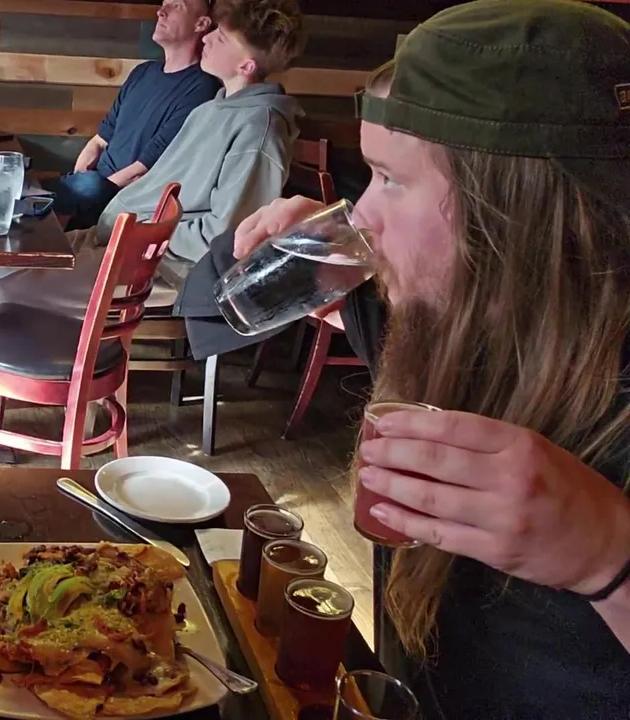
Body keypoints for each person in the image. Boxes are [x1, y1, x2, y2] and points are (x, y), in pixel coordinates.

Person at [230, 1, 630, 715]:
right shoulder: (446, 322)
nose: (361, 214)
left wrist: (608, 553)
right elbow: (326, 295)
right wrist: (316, 252)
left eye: (391, 179)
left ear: (514, 212)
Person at [0, 0, 304, 333]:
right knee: (1, 267)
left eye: (221, 38)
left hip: (158, 264)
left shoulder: (259, 130)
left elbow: (226, 238)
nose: (207, 39)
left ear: (246, 66)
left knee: (8, 293)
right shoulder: (213, 108)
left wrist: (136, 235)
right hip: (117, 238)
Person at [51, 0, 220, 229]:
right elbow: (99, 140)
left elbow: (145, 169)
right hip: (90, 183)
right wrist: (79, 177)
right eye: (164, 4)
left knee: (76, 189)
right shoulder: (142, 72)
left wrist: (96, 191)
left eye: (176, 6)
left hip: (123, 195)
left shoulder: (202, 87)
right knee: (22, 186)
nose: (161, 12)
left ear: (201, 24)